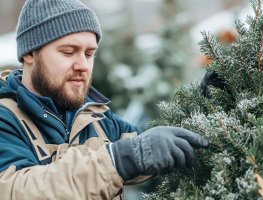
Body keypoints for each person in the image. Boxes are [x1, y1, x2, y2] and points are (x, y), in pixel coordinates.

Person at [0, 0, 209, 199]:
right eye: (68, 52)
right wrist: (118, 160)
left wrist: (204, 104)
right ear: (29, 53)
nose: (82, 64)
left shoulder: (95, 117)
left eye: (89, 53)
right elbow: (15, 191)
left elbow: (153, 146)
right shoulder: (5, 118)